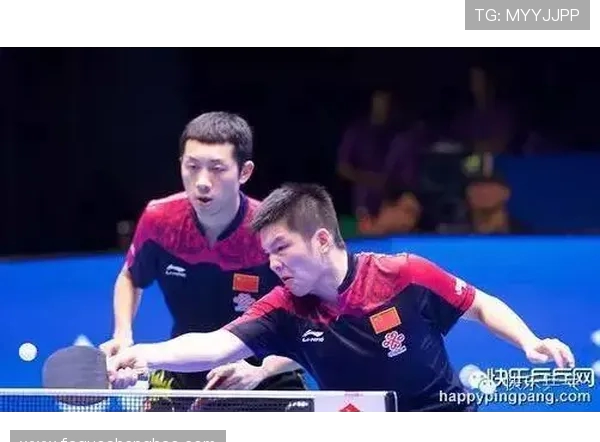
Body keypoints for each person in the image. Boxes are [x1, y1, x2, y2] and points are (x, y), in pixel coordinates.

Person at [108, 183, 575, 412]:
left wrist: (529, 341)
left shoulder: (403, 274)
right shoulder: (285, 306)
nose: (273, 264)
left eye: (281, 248)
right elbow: (215, 345)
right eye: (267, 253)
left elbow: (479, 304)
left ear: (321, 240)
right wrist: (142, 354)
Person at [100, 112, 306, 410]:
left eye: (217, 169)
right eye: (192, 166)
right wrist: (122, 334)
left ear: (244, 172)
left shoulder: (272, 232)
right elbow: (131, 276)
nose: (202, 182)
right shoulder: (160, 221)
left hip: (264, 371)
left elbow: (317, 326)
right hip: (183, 367)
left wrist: (262, 370)